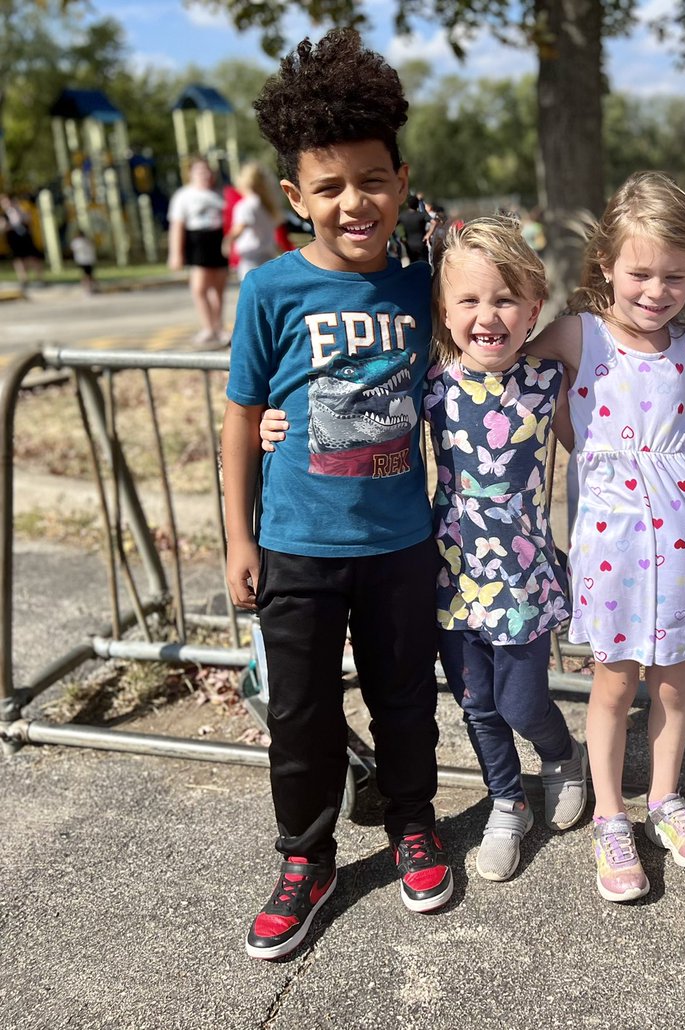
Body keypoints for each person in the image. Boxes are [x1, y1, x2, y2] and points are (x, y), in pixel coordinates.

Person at [261, 216, 590, 883]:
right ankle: (505, 804)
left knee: (522, 701)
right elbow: (355, 401)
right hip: (448, 567)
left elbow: (597, 441)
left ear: (533, 307)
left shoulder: (548, 381)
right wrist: (279, 417)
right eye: (469, 301)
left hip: (522, 569)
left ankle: (562, 756)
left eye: (504, 299)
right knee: (475, 703)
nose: (487, 316)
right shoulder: (430, 382)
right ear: (444, 310)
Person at [222, 27, 450, 962]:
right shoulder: (270, 290)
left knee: (405, 699)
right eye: (329, 187)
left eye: (371, 179)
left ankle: (412, 824)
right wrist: (238, 539)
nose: (352, 202)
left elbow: (500, 316)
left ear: (401, 178)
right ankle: (304, 858)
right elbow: (241, 418)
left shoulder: (425, 281)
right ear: (294, 199)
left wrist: (456, 242)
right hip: (297, 547)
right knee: (300, 714)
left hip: (399, 544)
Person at [527, 171, 685, 902]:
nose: (655, 289)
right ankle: (611, 814)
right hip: (612, 544)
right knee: (613, 683)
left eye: (674, 275)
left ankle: (665, 799)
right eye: (640, 272)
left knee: (675, 681)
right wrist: (573, 437)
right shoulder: (579, 334)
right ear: (605, 264)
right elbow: (504, 363)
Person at [167, 157, 228, 345]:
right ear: (191, 173)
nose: (205, 175)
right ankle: (207, 327)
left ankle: (218, 327)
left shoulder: (221, 193)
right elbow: (177, 225)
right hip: (197, 241)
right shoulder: (183, 195)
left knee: (218, 287)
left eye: (208, 171)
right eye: (200, 171)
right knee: (199, 287)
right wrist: (175, 253)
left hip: (218, 239)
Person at [227, 161, 282, 280]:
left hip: (251, 257)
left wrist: (227, 240)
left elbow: (239, 228)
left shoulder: (245, 206)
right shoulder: (266, 205)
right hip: (268, 254)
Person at [0, 193, 46, 292]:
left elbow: (27, 220)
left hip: (25, 238)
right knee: (19, 260)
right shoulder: (4, 215)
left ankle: (40, 279)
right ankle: (24, 280)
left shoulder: (20, 210)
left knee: (33, 258)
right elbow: (3, 228)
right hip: (14, 239)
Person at [396, 193, 430, 265]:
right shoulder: (421, 215)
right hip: (421, 243)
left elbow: (393, 225)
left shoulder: (403, 215)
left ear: (408, 205)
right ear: (417, 204)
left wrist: (400, 237)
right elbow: (434, 221)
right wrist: (428, 234)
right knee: (423, 264)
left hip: (409, 244)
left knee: (412, 264)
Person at [68, 228, 97, 294]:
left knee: (86, 274)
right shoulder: (87, 241)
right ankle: (89, 287)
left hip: (82, 260)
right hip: (88, 260)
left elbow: (72, 249)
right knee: (88, 274)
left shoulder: (76, 242)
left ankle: (87, 287)